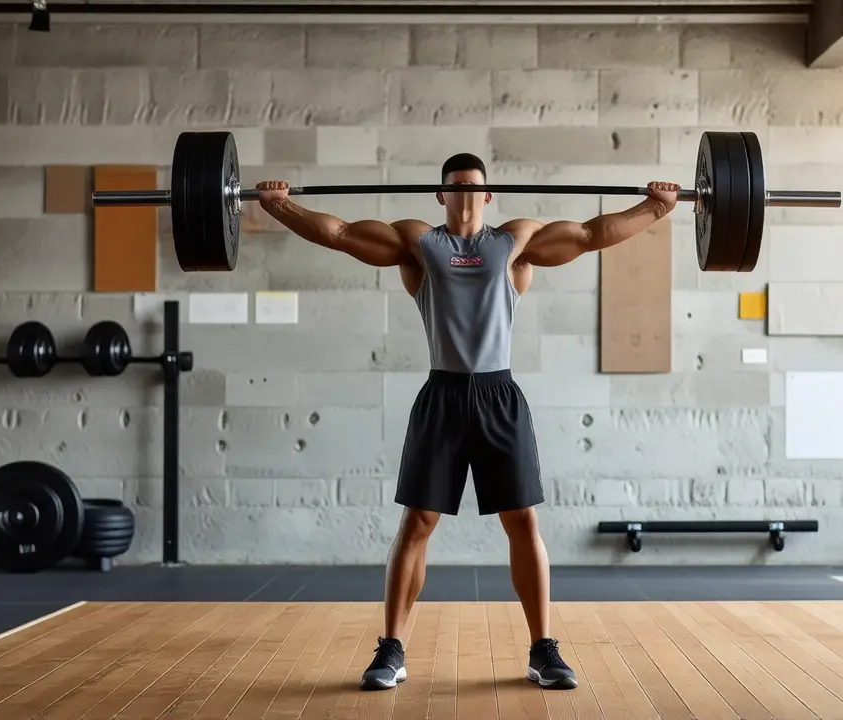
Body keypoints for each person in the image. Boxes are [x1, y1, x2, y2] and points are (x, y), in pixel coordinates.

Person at [255, 155, 679, 692]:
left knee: (522, 521)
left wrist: (654, 207)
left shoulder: (515, 242)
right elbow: (339, 234)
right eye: (455, 187)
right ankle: (392, 649)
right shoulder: (418, 243)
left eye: (475, 187)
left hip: (500, 396)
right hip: (443, 395)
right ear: (440, 195)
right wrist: (279, 206)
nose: (465, 195)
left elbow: (591, 235)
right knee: (417, 523)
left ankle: (543, 648)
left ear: (488, 194)